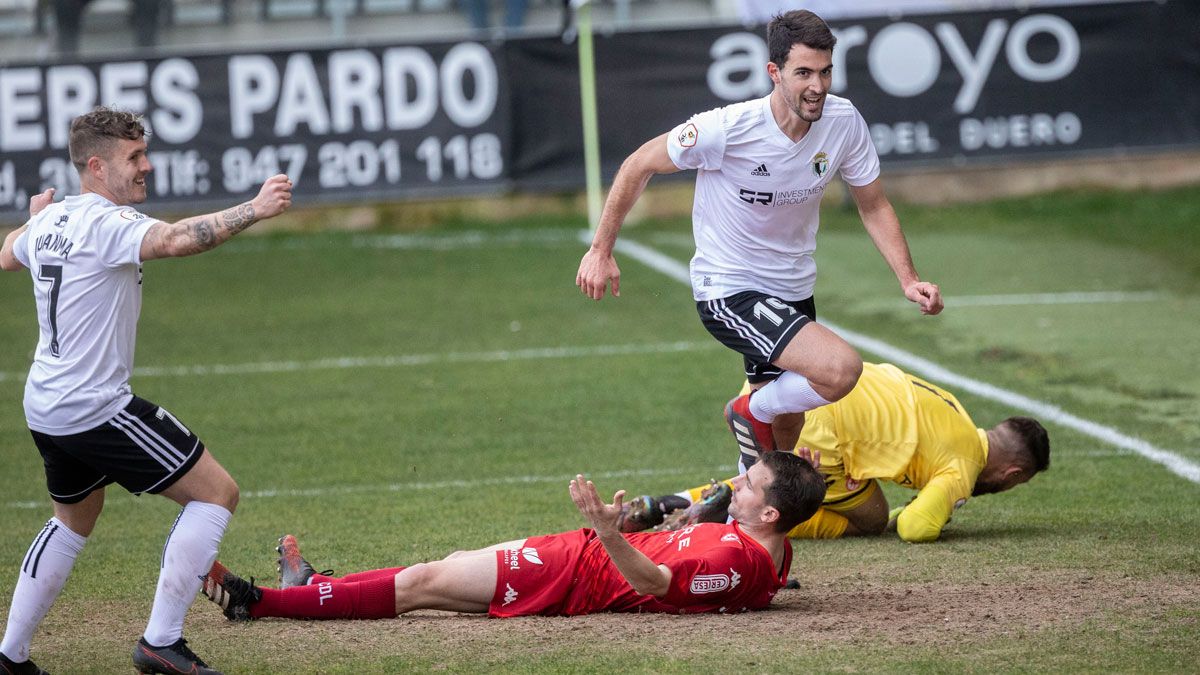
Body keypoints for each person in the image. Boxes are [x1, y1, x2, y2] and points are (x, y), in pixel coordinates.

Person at [575, 10, 943, 467]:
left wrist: (908, 279)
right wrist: (600, 249)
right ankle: (747, 410)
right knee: (840, 370)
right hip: (730, 289)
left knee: (785, 430)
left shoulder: (844, 122)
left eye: (826, 71)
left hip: (793, 288)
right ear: (774, 73)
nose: (818, 86)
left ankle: (747, 508)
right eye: (803, 73)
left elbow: (873, 204)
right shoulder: (727, 128)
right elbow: (639, 162)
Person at [0, 106, 292, 675]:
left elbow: (7, 253)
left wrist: (35, 218)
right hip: (94, 407)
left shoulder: (51, 222)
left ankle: (10, 655)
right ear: (95, 166)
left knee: (73, 519)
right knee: (216, 494)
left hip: (47, 407)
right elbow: (180, 238)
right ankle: (161, 642)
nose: (146, 167)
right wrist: (255, 209)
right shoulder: (105, 224)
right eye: (133, 158)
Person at [200, 451, 826, 624]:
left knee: (422, 582)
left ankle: (260, 602)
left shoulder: (731, 556)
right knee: (435, 575)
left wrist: (608, 534)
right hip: (575, 560)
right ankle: (314, 587)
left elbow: (658, 585)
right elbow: (752, 566)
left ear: (768, 515)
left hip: (573, 573)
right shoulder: (770, 549)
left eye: (752, 483)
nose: (736, 483)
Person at [621, 363, 1051, 543]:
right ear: (1012, 474)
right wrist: (939, 512)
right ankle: (722, 519)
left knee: (759, 482)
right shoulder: (964, 465)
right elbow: (914, 527)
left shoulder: (955, 409)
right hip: (821, 434)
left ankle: (662, 505)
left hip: (789, 390)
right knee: (869, 519)